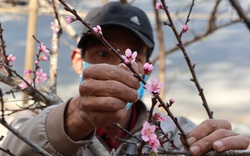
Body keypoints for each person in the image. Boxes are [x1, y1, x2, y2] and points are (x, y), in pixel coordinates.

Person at [1, 2, 249, 156]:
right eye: (103, 53)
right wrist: (75, 119)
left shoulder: (174, 134)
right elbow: (11, 148)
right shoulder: (40, 119)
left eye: (132, 57)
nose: (119, 66)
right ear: (78, 61)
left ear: (147, 70)